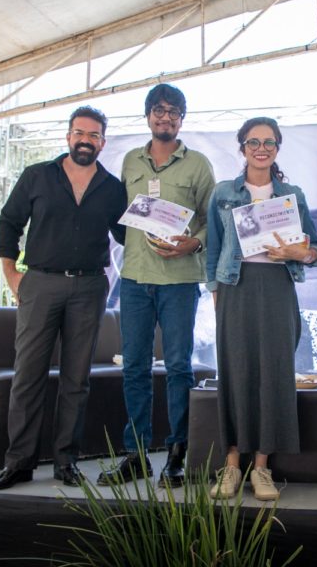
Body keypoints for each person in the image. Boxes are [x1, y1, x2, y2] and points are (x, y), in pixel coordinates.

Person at [0, 105, 127, 491]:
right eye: (80, 133)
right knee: (27, 375)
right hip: (40, 284)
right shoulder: (37, 176)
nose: (86, 140)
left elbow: (126, 234)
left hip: (89, 288)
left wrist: (163, 229)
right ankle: (19, 463)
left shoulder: (113, 188)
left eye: (94, 135)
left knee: (76, 379)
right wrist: (11, 273)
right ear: (69, 136)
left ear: (102, 142)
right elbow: (8, 222)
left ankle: (67, 462)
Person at [98, 84, 216, 488]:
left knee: (180, 367)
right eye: (159, 110)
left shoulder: (198, 164)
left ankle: (178, 453)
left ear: (182, 118)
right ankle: (137, 454)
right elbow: (121, 216)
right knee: (134, 368)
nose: (165, 118)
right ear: (148, 115)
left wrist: (193, 241)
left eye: (174, 112)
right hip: (134, 280)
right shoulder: (130, 160)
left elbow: (209, 219)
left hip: (180, 282)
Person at [205, 117, 317, 501]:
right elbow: (212, 248)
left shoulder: (293, 194)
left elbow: (316, 251)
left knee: (274, 376)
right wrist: (215, 293)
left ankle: (261, 468)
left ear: (277, 148)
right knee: (236, 375)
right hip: (234, 290)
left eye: (269, 142)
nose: (261, 148)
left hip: (277, 289)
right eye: (253, 142)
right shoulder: (223, 192)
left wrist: (300, 252)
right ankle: (231, 466)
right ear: (242, 148)